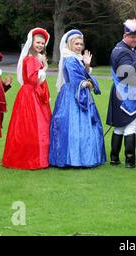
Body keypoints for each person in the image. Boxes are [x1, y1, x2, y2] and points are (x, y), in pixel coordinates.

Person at [49, 29, 106, 168]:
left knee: (84, 126)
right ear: (70, 44)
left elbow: (84, 74)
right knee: (72, 126)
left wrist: (87, 65)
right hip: (71, 95)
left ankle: (83, 157)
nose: (79, 46)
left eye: (81, 44)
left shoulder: (77, 58)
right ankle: (72, 158)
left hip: (81, 92)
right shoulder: (69, 59)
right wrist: (87, 83)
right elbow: (76, 79)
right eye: (76, 44)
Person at [2, 27, 52, 170]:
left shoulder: (35, 58)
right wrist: (45, 67)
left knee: (35, 124)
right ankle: (31, 158)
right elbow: (33, 78)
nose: (40, 45)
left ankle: (37, 156)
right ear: (31, 42)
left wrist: (42, 64)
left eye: (42, 43)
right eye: (38, 42)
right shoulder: (30, 59)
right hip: (31, 95)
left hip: (34, 93)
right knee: (32, 125)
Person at [106, 19, 136, 168]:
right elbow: (126, 73)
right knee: (131, 124)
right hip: (125, 93)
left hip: (121, 91)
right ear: (125, 35)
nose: (135, 39)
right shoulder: (123, 51)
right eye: (132, 36)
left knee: (120, 126)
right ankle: (130, 161)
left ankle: (114, 158)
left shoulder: (123, 48)